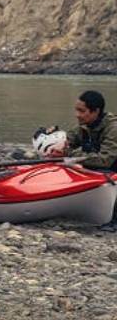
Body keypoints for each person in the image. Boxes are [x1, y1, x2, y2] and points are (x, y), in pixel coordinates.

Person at [52, 90, 117, 230]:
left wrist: (70, 154)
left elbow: (105, 160)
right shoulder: (85, 125)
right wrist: (57, 143)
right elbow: (69, 138)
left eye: (82, 111)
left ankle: (114, 221)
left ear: (96, 111)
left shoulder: (113, 129)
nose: (77, 115)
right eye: (76, 110)